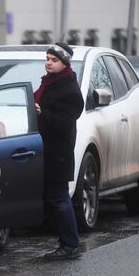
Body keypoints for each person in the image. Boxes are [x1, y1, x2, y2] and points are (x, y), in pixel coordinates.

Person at [34, 42, 84, 260]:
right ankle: (66, 242)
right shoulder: (49, 83)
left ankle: (71, 244)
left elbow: (64, 123)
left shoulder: (69, 89)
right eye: (47, 59)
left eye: (54, 60)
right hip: (44, 150)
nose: (48, 63)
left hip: (58, 153)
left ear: (65, 63)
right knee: (54, 198)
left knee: (59, 199)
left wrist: (41, 112)